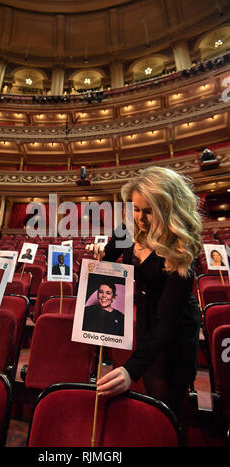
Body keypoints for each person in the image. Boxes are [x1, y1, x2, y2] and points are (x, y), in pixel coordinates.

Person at [96, 166, 203, 427]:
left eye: (148, 210)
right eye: (135, 208)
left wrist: (130, 370)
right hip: (145, 318)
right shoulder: (128, 230)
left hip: (175, 331)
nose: (140, 218)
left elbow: (167, 322)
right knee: (152, 391)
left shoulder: (182, 247)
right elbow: (106, 262)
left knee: (168, 403)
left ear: (168, 208)